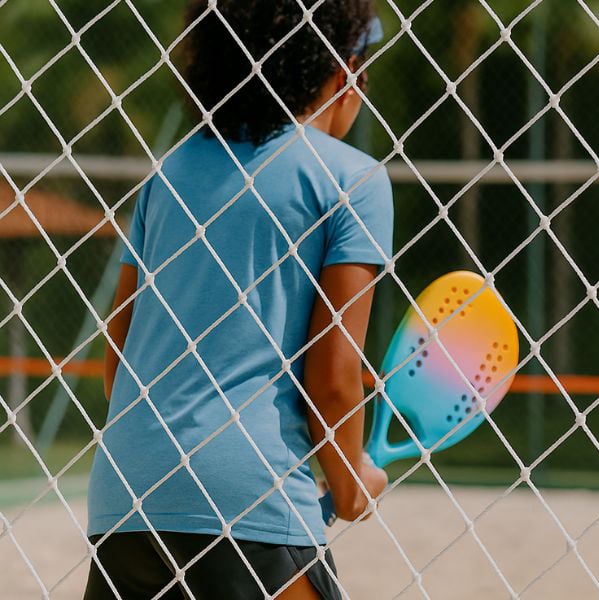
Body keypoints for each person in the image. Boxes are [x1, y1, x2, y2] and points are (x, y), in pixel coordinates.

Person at [85, 2, 390, 598]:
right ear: (343, 72)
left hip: (126, 495)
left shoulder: (168, 174)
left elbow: (117, 362)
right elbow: (333, 379)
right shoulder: (353, 179)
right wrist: (352, 481)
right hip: (250, 496)